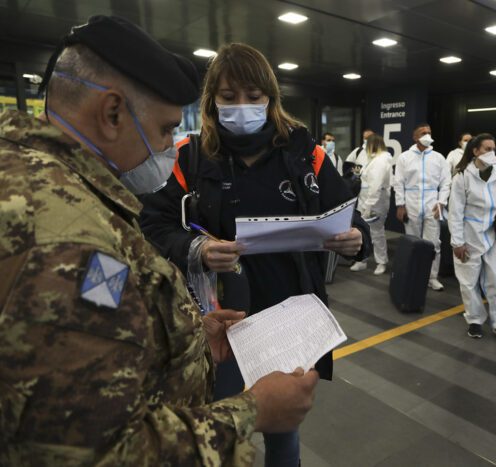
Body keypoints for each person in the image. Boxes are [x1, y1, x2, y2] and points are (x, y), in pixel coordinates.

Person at [0, 16, 318, 465]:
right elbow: (90, 449)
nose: (169, 146)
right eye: (166, 129)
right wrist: (253, 411)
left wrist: (181, 341)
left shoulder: (30, 177)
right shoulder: (67, 238)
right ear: (113, 113)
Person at [139, 42, 370, 466]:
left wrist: (356, 240)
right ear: (212, 101)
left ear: (270, 98)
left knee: (283, 430)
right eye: (228, 98)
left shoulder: (307, 156)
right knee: (223, 423)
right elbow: (152, 222)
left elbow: (353, 222)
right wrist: (198, 248)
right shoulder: (190, 156)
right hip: (222, 321)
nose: (241, 106)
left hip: (291, 318)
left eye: (253, 96)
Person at [449, 133, 496, 343]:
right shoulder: (462, 177)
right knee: (468, 283)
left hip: (494, 235)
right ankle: (474, 320)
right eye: (487, 149)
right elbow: (456, 212)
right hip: (469, 235)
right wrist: (457, 242)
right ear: (475, 151)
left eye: (494, 149)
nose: (492, 153)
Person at [393, 123, 451, 291]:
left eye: (429, 132)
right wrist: (400, 205)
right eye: (423, 133)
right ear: (415, 137)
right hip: (411, 203)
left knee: (433, 243)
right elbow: (398, 183)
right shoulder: (404, 157)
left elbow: (446, 182)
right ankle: (414, 275)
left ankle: (432, 277)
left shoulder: (439, 158)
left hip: (433, 204)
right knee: (413, 242)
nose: (427, 135)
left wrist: (441, 202)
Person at [351, 134, 393, 274]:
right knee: (363, 231)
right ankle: (362, 260)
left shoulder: (381, 161)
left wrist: (369, 206)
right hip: (366, 200)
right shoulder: (374, 159)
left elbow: (376, 186)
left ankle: (381, 262)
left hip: (375, 203)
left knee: (376, 233)